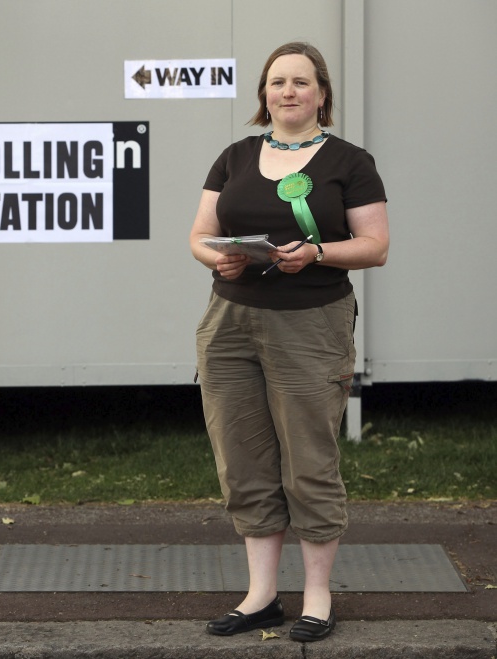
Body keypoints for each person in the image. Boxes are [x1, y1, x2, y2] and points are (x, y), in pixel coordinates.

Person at [189, 42, 389, 643]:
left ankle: (318, 597)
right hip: (230, 324)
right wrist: (217, 260)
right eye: (278, 81)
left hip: (311, 323)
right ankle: (262, 596)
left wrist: (318, 253)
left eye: (301, 81)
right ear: (264, 94)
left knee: (309, 463)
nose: (288, 91)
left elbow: (375, 246)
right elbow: (201, 234)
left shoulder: (350, 162)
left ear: (322, 94)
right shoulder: (235, 156)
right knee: (244, 459)